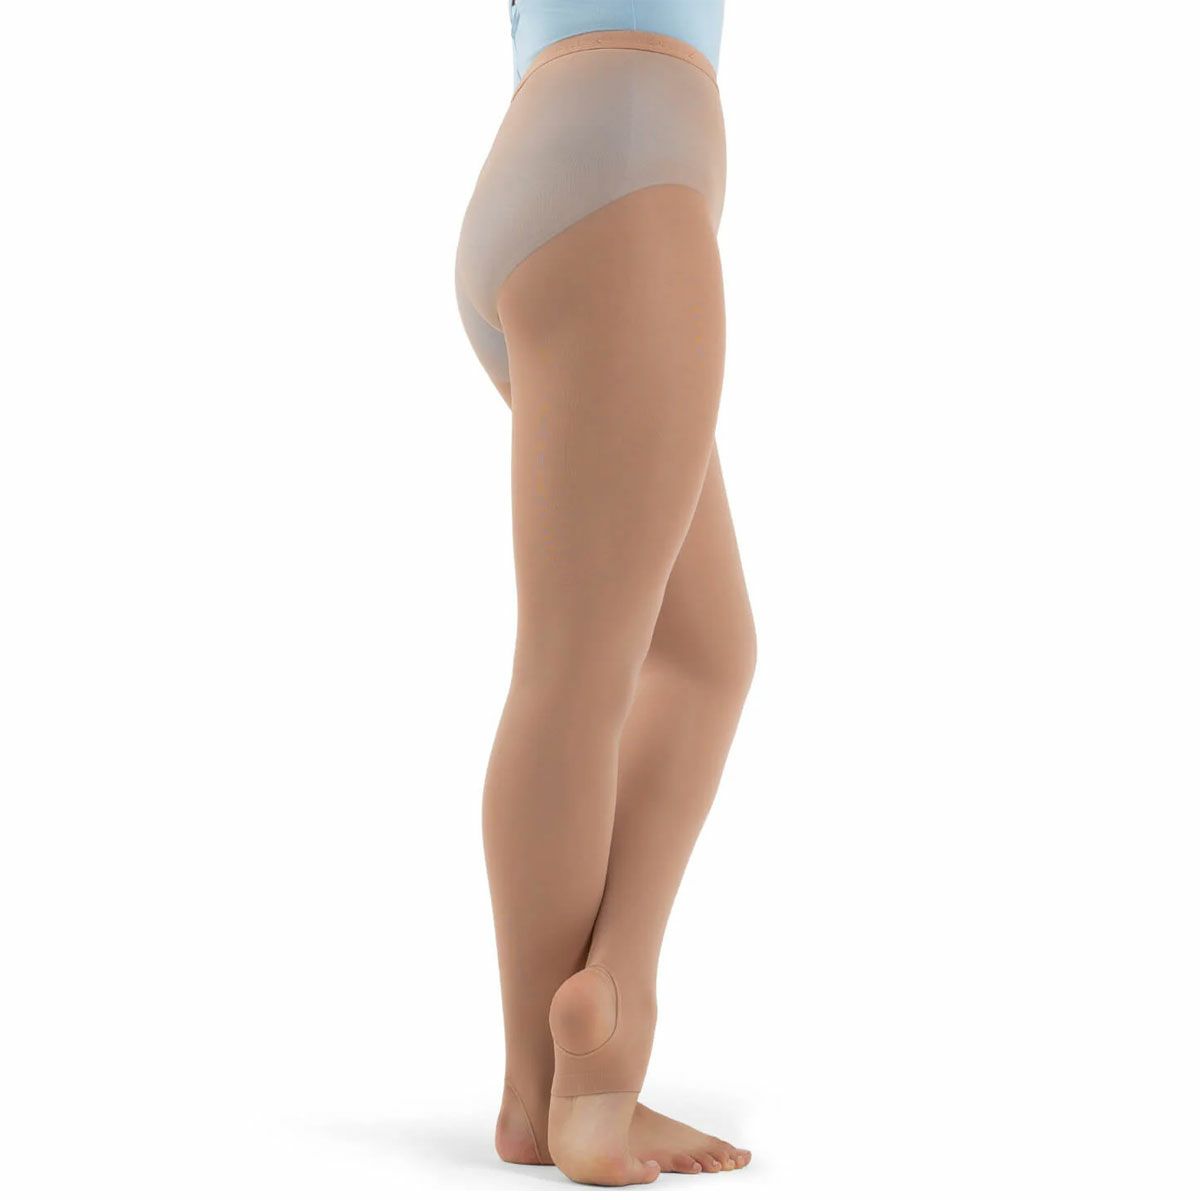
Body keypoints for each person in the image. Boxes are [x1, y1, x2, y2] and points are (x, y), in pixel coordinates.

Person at [455, 1, 755, 1185]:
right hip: (630, 173)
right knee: (578, 669)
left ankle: (577, 1036)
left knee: (706, 652)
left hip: (555, 166)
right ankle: (580, 1093)